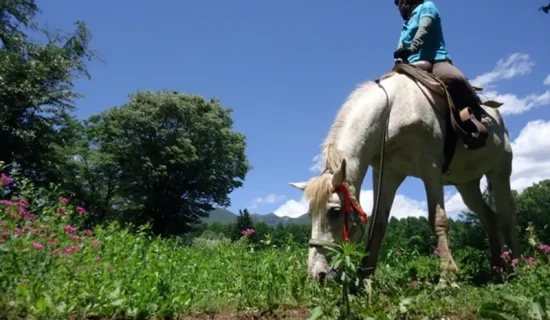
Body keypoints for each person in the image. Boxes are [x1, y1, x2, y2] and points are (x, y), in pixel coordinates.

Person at [392, 0, 488, 150]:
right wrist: (398, 59)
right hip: (412, 65)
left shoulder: (427, 6)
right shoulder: (405, 25)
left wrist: (411, 49)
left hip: (436, 60)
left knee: (453, 78)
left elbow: (425, 29)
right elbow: (400, 47)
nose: (399, 5)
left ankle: (475, 119)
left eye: (401, 1)